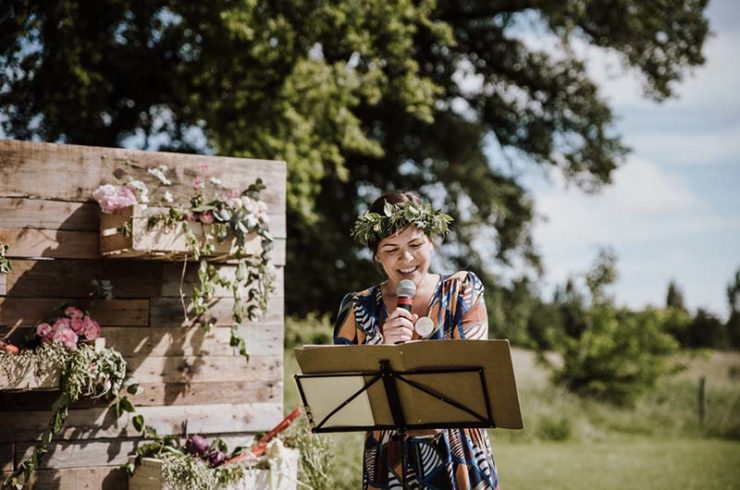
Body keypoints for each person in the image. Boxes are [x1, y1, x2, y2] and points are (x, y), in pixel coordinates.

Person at [333, 191, 501, 489]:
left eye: (415, 244)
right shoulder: (358, 307)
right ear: (376, 256)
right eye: (391, 249)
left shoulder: (462, 290)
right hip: (389, 461)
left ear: (432, 242)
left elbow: (469, 373)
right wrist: (382, 349)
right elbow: (341, 390)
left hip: (458, 453)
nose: (406, 259)